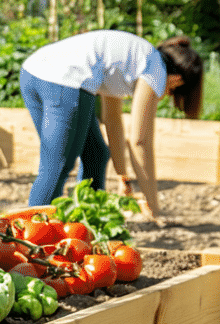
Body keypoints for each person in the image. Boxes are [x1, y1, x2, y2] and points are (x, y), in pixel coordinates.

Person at [19, 31, 204, 221]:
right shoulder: (156, 69)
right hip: (62, 81)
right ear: (177, 80)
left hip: (33, 72)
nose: (164, 95)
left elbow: (113, 120)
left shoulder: (133, 60)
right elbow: (140, 142)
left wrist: (122, 177)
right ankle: (33, 228)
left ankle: (87, 221)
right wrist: (155, 210)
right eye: (172, 91)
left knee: (96, 154)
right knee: (58, 163)